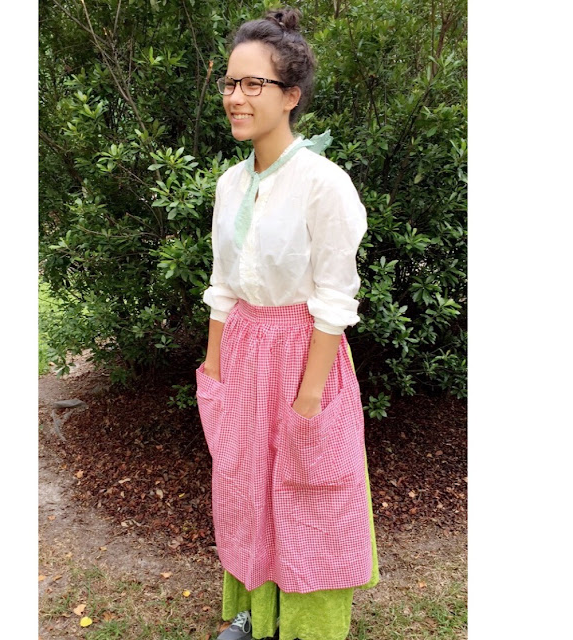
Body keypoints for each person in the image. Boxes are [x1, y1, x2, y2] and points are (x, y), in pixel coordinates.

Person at [196, 7, 379, 640]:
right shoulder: (229, 184)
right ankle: (257, 613)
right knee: (246, 485)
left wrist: (309, 397)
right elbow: (223, 285)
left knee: (309, 490)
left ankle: (306, 628)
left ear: (290, 96)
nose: (236, 97)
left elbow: (334, 297)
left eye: (254, 84)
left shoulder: (323, 184)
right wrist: (214, 371)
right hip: (243, 356)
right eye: (230, 83)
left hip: (305, 357)